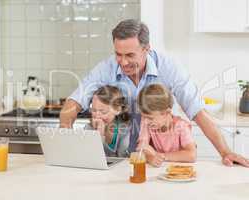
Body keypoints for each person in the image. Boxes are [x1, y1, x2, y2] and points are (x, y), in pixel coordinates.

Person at [60, 19, 249, 167]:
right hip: (120, 159)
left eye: (130, 55)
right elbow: (75, 100)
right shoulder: (107, 67)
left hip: (156, 160)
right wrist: (65, 135)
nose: (123, 62)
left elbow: (197, 110)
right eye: (118, 54)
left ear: (146, 49)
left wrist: (225, 151)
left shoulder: (168, 68)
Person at [136, 84, 196, 167]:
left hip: (179, 170)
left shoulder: (181, 126)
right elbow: (141, 148)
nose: (146, 121)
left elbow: (191, 155)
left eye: (150, 118)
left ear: (166, 112)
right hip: (158, 171)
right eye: (144, 117)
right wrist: (150, 158)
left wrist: (160, 156)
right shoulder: (147, 123)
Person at [85, 85, 130, 157]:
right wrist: (98, 135)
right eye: (93, 110)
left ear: (117, 110)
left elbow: (122, 158)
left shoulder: (124, 130)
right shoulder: (88, 128)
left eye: (103, 112)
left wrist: (101, 137)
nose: (97, 116)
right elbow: (89, 156)